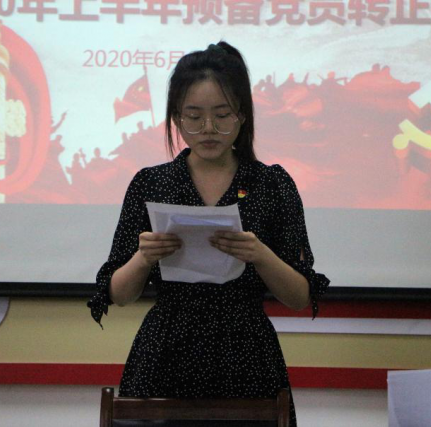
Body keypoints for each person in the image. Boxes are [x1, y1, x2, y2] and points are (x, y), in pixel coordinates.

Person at [88, 41, 330, 426]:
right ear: (176, 118)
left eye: (222, 115)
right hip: (165, 353)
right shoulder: (151, 184)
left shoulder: (271, 184)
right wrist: (144, 257)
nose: (208, 129)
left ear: (242, 115)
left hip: (246, 355)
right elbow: (118, 294)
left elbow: (300, 297)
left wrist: (259, 254)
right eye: (193, 117)